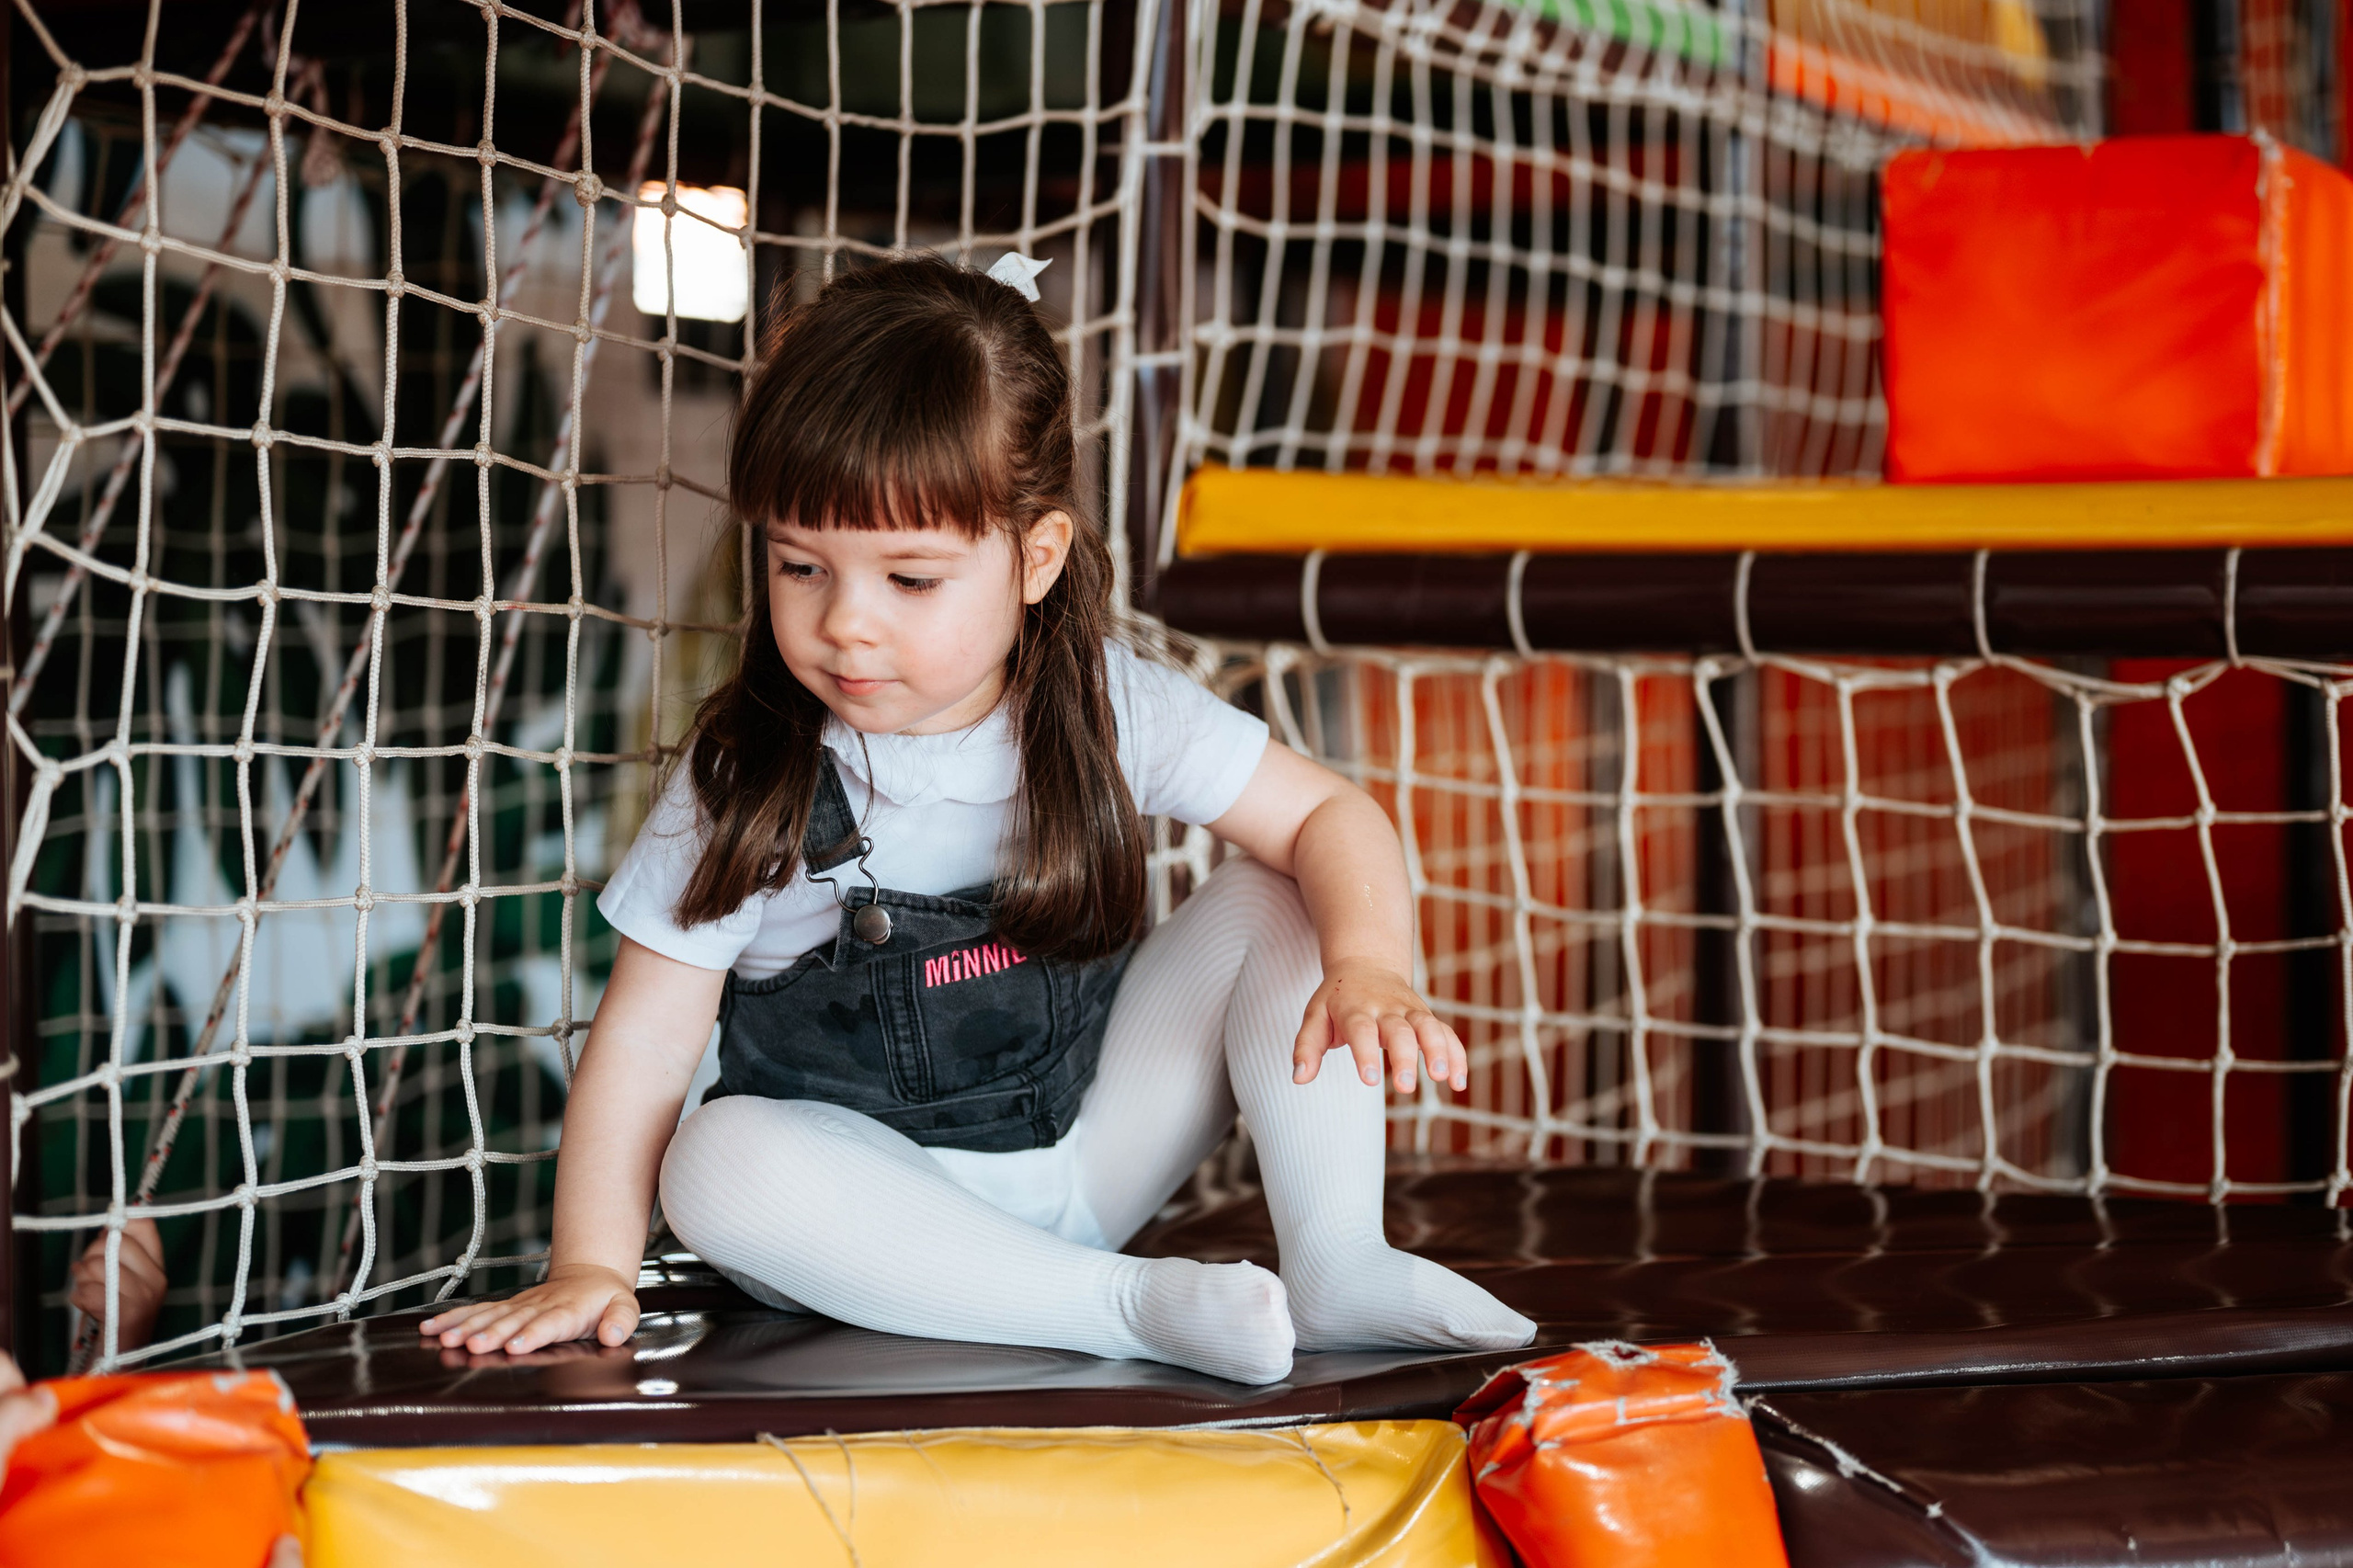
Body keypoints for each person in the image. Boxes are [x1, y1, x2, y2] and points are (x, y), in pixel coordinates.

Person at [419, 256, 1535, 1384]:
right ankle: (1124, 1308)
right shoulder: (744, 773)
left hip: (1091, 1155)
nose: (845, 624)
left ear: (1034, 556)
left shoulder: (1103, 702)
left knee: (1282, 888)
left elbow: (1331, 813)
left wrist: (1369, 965)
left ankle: (1338, 1258)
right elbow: (650, 1038)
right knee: (712, 1160)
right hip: (863, 1227)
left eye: (909, 580)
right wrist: (592, 1262)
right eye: (801, 565)